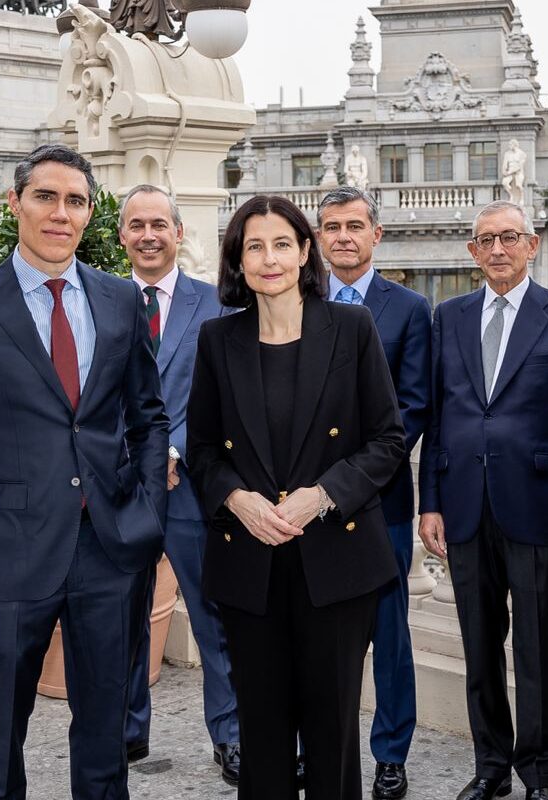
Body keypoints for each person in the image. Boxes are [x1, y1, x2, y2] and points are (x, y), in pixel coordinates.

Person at [0, 143, 169, 800]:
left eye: (76, 201)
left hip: (109, 550)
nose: (61, 213)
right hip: (6, 554)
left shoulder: (122, 300)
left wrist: (148, 513)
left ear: (90, 213)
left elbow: (149, 418)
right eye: (46, 197)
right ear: (16, 204)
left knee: (106, 734)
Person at [187, 194, 407, 800]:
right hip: (249, 562)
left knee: (333, 731)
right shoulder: (217, 339)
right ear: (238, 260)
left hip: (335, 559)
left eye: (282, 244)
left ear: (305, 252)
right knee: (261, 734)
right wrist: (238, 499)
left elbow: (388, 439)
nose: (270, 259)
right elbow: (201, 450)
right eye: (254, 246)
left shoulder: (352, 329)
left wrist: (324, 494)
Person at [418, 200, 548, 800]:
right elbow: (437, 418)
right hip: (464, 505)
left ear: (532, 244)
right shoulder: (449, 317)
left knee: (539, 646)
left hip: (539, 506)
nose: (498, 249)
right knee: (478, 642)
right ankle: (490, 765)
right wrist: (430, 502)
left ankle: (539, 774)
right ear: (473, 251)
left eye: (510, 237)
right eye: (486, 240)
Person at [117, 184, 239, 781]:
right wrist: (138, 455)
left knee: (213, 614)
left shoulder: (215, 305)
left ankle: (231, 735)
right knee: (122, 614)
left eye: (159, 224)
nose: (148, 236)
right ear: (122, 235)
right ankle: (124, 731)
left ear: (179, 232)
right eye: (137, 225)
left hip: (192, 487)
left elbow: (222, 395)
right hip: (122, 489)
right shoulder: (101, 302)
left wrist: (170, 448)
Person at [316, 186, 432, 800]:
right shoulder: (297, 300)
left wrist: (348, 476)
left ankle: (391, 754)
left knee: (389, 636)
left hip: (379, 500)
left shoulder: (409, 310)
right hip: (305, 504)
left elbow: (413, 407)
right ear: (319, 237)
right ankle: (318, 747)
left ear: (375, 234)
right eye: (332, 226)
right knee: (315, 634)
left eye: (354, 226)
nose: (343, 237)